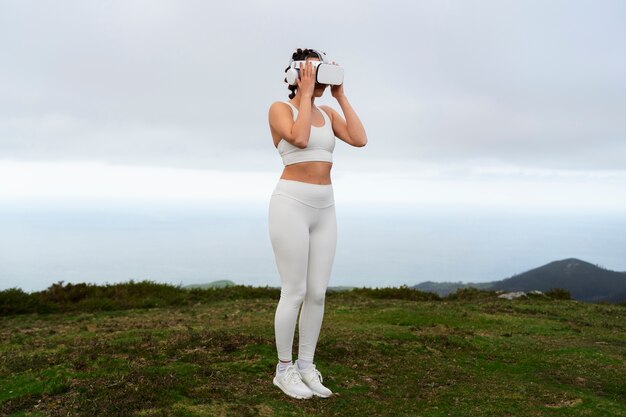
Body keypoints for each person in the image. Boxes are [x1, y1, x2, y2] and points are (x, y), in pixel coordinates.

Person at [267, 48, 368, 399]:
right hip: (291, 204)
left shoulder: (326, 111)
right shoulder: (281, 109)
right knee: (293, 291)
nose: (319, 77)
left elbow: (359, 138)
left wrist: (340, 95)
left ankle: (307, 366)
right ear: (296, 75)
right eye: (312, 71)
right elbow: (298, 137)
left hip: (325, 208)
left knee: (318, 293)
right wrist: (305, 93)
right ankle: (284, 370)